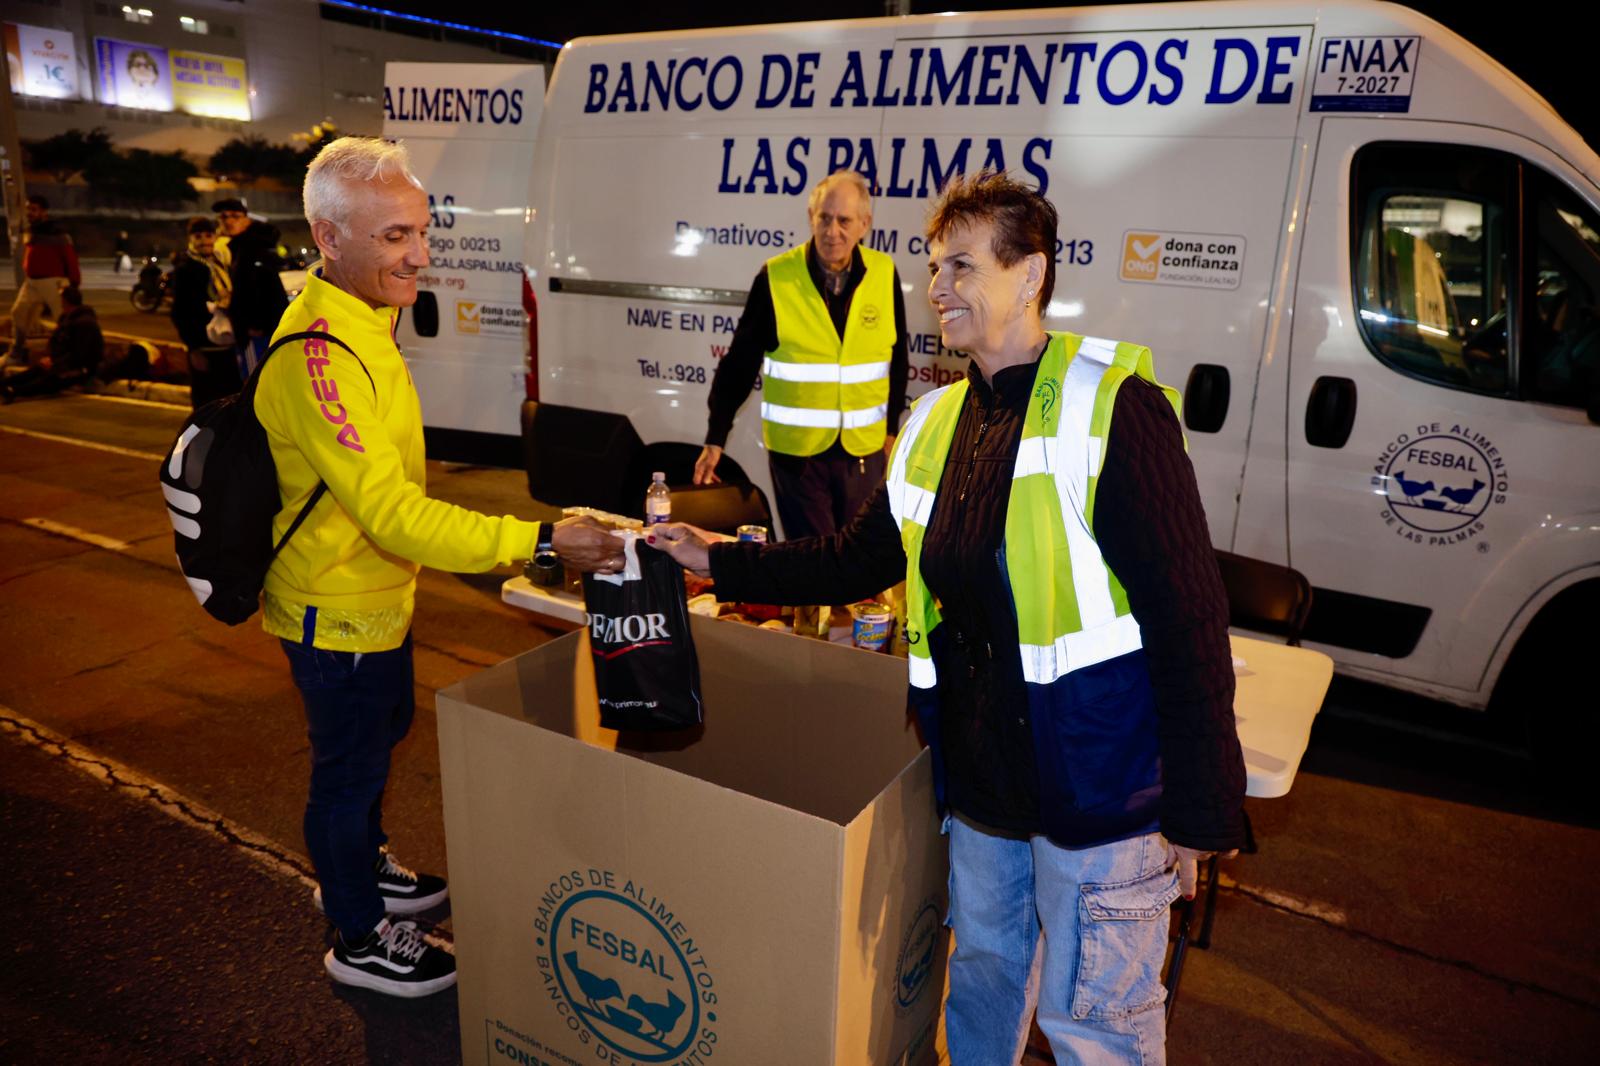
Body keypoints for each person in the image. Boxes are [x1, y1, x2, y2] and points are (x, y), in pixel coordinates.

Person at [654, 171, 1245, 1064]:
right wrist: (717, 558)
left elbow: (1189, 617)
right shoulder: (933, 423)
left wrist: (1202, 812)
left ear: (1031, 273)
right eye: (935, 269)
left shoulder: (1115, 408)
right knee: (981, 992)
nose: (937, 290)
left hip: (1099, 792)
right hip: (983, 791)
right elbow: (857, 557)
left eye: (962, 267)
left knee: (1096, 1027)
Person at [257, 136, 627, 997]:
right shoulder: (320, 354)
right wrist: (538, 543)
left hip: (379, 597)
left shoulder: (366, 319)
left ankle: (365, 863)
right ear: (328, 237)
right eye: (393, 237)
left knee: (379, 745)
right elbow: (392, 512)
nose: (419, 255)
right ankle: (355, 932)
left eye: (421, 232)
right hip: (333, 610)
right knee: (344, 776)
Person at [693, 170, 908, 540]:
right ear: (811, 217)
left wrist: (890, 432)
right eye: (824, 218)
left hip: (863, 455)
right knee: (814, 561)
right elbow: (739, 364)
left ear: (864, 224)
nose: (832, 231)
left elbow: (897, 358)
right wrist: (716, 436)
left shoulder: (884, 273)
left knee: (859, 562)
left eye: (844, 221)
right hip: (800, 458)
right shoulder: (777, 277)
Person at [213, 196, 289, 381]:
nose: (229, 221)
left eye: (235, 216)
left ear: (246, 220)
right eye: (224, 217)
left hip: (255, 334)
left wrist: (255, 324)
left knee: (255, 383)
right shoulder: (242, 246)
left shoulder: (250, 247)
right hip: (255, 331)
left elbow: (261, 286)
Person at [170, 216, 238, 408]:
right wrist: (193, 348)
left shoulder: (222, 264)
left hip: (228, 346)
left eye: (208, 235)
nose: (204, 241)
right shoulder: (186, 269)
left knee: (230, 401)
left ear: (216, 237)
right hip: (205, 348)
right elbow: (180, 313)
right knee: (206, 404)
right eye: (198, 236)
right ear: (191, 240)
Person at [8, 196, 80, 366]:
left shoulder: (57, 232)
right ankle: (18, 351)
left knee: (62, 319)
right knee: (18, 313)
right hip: (32, 282)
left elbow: (70, 258)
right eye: (28, 209)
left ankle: (67, 356)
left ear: (43, 211)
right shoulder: (32, 231)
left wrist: (74, 282)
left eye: (33, 209)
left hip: (53, 282)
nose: (29, 213)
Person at [1, 286, 102, 402]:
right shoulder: (67, 318)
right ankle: (4, 384)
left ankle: (14, 391)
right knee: (35, 371)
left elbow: (79, 355)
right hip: (62, 361)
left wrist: (55, 362)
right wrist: (51, 358)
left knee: (51, 380)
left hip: (80, 368)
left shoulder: (85, 323)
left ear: (65, 301)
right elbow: (57, 342)